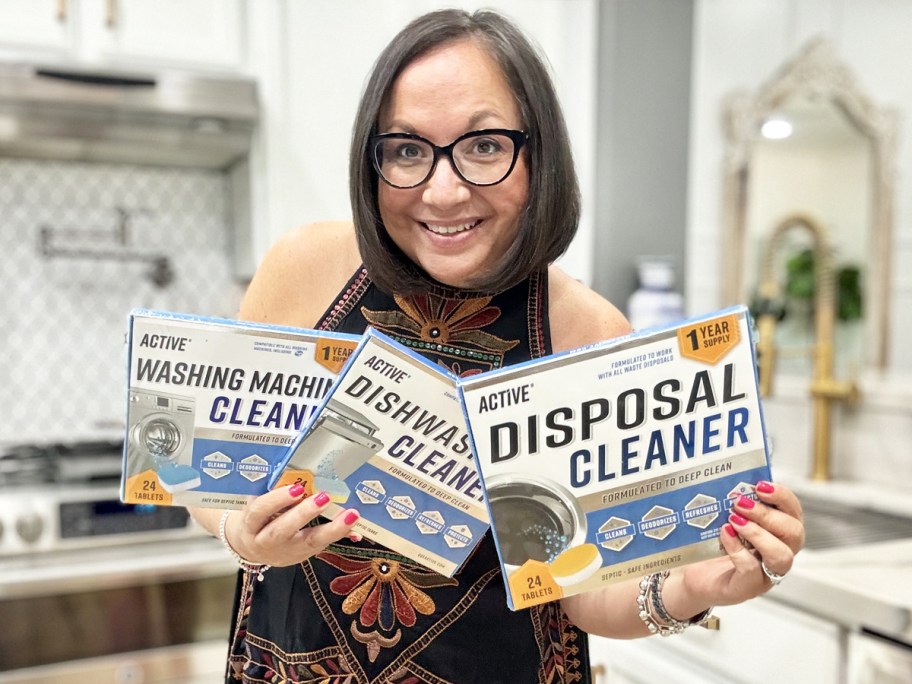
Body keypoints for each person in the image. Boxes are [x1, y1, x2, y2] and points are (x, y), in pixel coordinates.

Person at [189, 8, 805, 683]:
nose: (443, 190)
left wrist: (693, 590)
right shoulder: (305, 267)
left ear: (538, 154)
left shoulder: (588, 336)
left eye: (484, 145)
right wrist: (238, 532)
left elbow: (587, 591)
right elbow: (208, 473)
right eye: (406, 149)